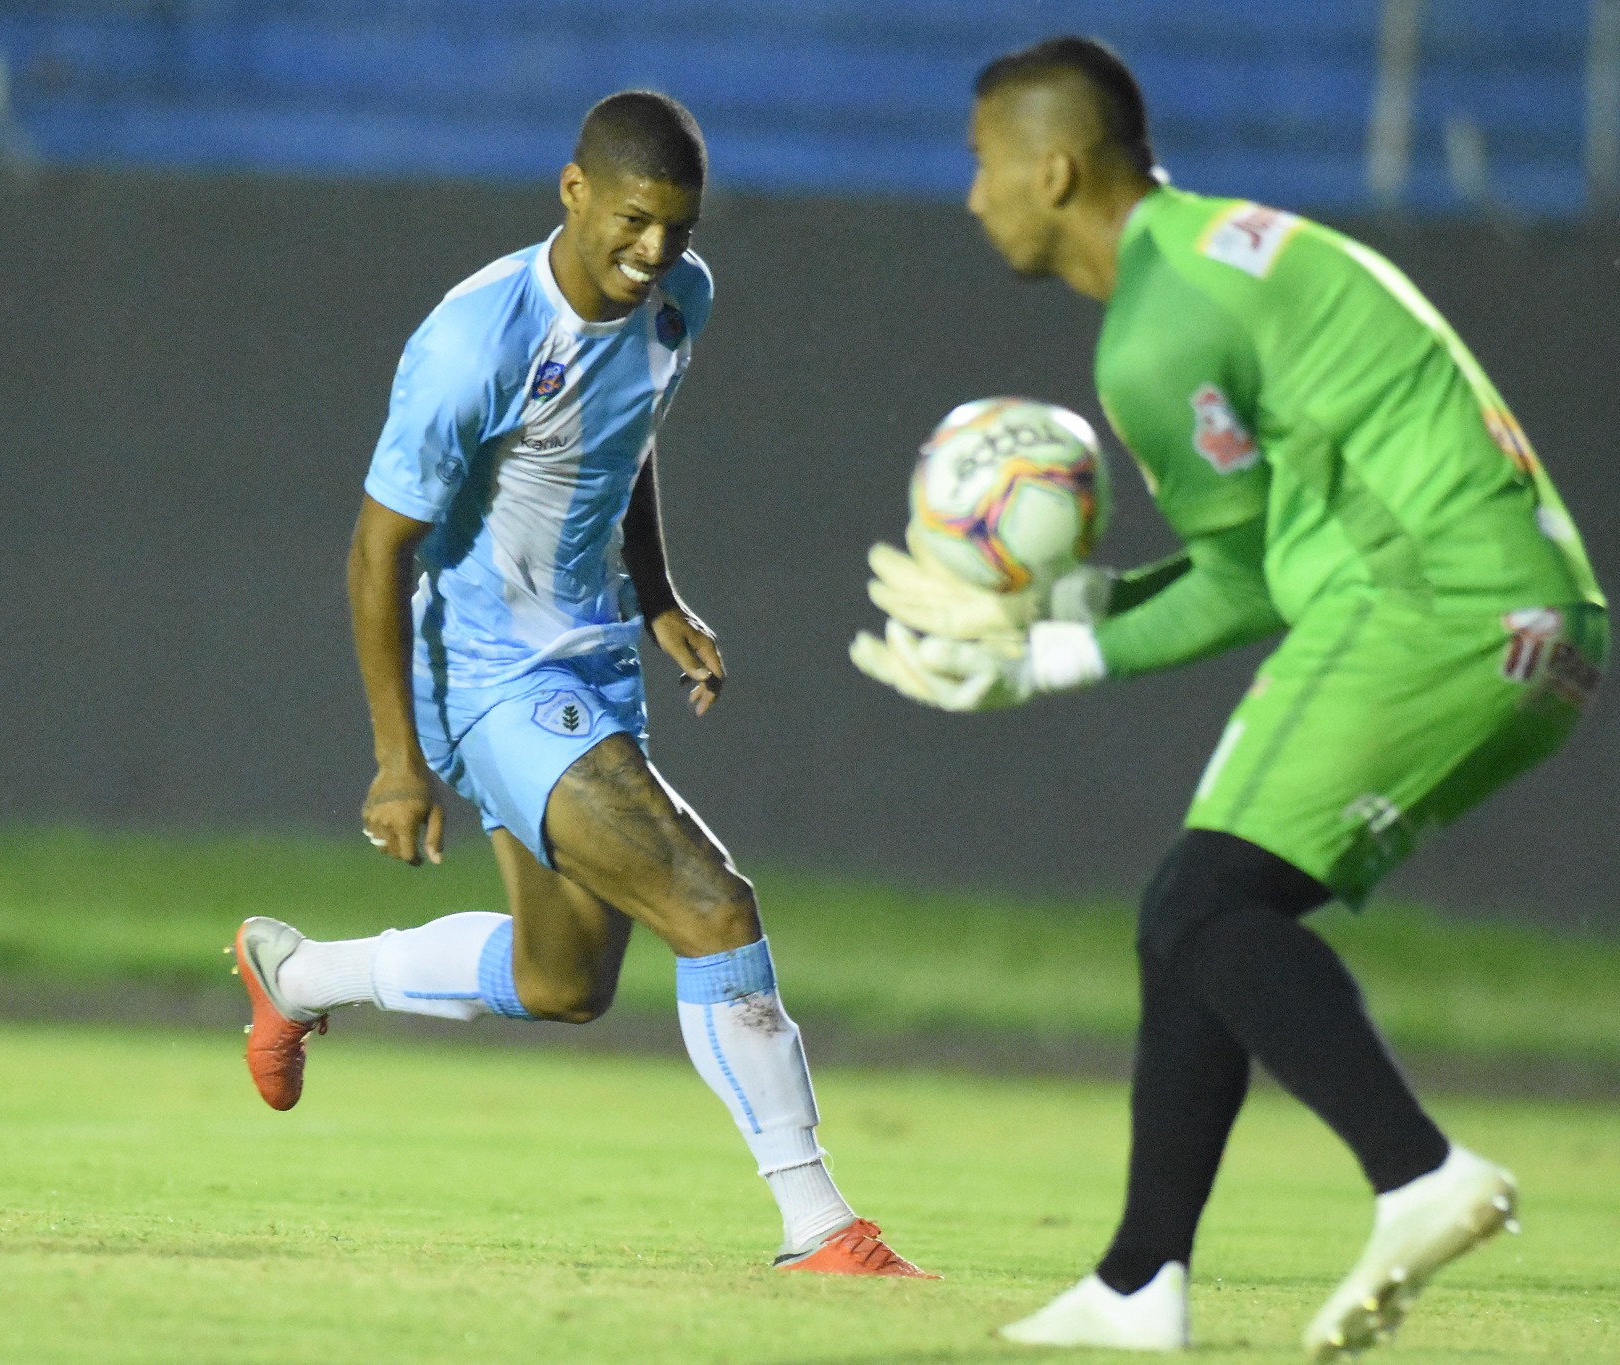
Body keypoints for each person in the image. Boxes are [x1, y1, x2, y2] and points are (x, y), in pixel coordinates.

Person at [851, 35, 1604, 1356]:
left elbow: (1246, 586)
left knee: (1198, 906)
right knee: (1192, 921)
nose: (968, 194)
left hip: (1429, 605)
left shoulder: (1152, 335)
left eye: (982, 164)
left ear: (1055, 168)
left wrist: (1041, 654)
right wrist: (1074, 607)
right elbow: (1252, 563)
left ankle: (1415, 1173)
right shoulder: (1214, 250)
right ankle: (1139, 1283)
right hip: (1526, 622)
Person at [231, 90, 930, 1277]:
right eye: (634, 219)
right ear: (573, 192)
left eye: (680, 226)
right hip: (495, 676)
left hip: (592, 658)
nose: (655, 249)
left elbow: (622, 441)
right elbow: (374, 548)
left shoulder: (677, 301)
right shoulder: (475, 344)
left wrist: (656, 596)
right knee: (712, 907)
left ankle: (298, 976)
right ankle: (819, 1222)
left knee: (562, 983)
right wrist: (398, 760)